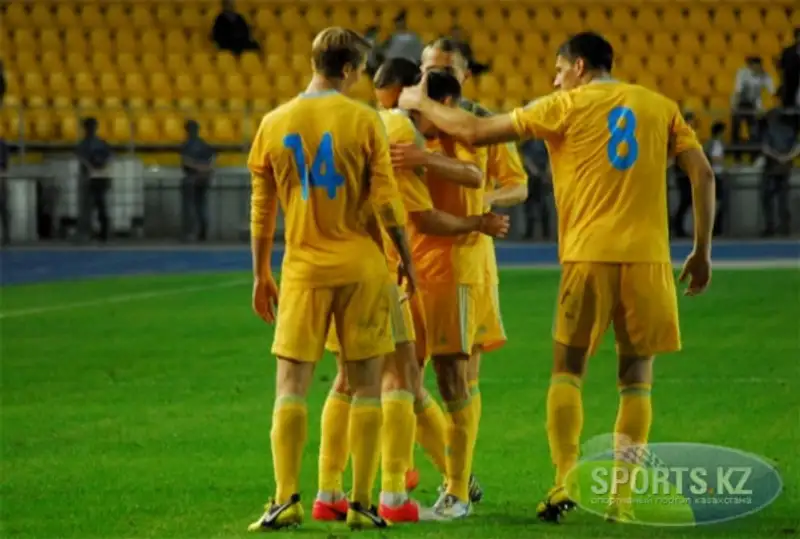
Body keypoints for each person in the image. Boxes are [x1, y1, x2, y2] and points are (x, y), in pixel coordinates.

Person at [399, 31, 715, 524]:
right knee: (636, 379)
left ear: (580, 67)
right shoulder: (660, 106)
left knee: (568, 371)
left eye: (560, 70)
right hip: (650, 260)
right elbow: (703, 174)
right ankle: (621, 500)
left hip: (588, 256)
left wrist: (419, 101)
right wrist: (701, 250)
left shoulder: (564, 105)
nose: (555, 79)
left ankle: (567, 478)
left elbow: (477, 132)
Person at [312, 60, 510, 525]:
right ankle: (399, 490)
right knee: (403, 381)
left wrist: (428, 162)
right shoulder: (397, 129)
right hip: (399, 271)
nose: (398, 113)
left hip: (440, 271)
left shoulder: (465, 130)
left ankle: (351, 489)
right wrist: (476, 220)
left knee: (427, 380)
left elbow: (481, 177)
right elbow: (423, 217)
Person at [246, 27, 415, 531]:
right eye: (360, 70)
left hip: (303, 268)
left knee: (291, 386)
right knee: (366, 386)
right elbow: (386, 200)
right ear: (347, 69)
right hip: (362, 266)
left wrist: (260, 272)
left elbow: (262, 209)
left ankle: (285, 499)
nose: (360, 78)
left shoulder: (274, 123)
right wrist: (404, 256)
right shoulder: (364, 120)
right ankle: (361, 503)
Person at [393, 37, 528, 506]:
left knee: (459, 379)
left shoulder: (482, 126)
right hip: (411, 263)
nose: (432, 77)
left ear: (464, 77)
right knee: (403, 380)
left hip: (463, 262)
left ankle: (455, 485)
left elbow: (517, 186)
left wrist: (482, 202)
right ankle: (450, 474)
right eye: (427, 68)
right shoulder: (406, 122)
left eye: (445, 70)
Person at [760, 108, 799, 236]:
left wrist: (777, 157)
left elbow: (765, 148)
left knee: (768, 199)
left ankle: (770, 227)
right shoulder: (789, 131)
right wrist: (787, 157)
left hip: (772, 169)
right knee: (783, 199)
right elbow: (797, 148)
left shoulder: (768, 131)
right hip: (784, 169)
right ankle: (784, 227)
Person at [75, 118, 112, 242]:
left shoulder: (84, 144)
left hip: (91, 177)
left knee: (90, 206)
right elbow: (109, 158)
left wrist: (91, 167)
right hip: (99, 176)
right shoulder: (101, 143)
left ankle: (94, 232)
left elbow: (82, 159)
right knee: (99, 205)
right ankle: (101, 232)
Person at [180, 120, 215, 242]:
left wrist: (197, 168)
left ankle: (191, 233)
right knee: (201, 205)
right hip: (204, 178)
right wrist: (205, 169)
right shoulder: (204, 144)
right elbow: (211, 161)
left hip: (192, 178)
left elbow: (186, 161)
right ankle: (202, 233)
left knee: (190, 206)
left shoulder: (187, 145)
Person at [671, 111, 698, 238]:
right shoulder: (680, 136)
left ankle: (679, 226)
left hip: (688, 173)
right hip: (682, 174)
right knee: (685, 200)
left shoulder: (690, 135)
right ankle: (677, 226)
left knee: (688, 201)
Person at [520, 137, 552, 239]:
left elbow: (551, 156)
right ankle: (529, 232)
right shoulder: (528, 142)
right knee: (529, 205)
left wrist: (547, 172)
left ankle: (546, 233)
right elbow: (525, 157)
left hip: (542, 177)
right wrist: (533, 170)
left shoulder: (545, 141)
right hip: (531, 177)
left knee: (543, 204)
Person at [705, 121, 728, 236]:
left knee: (718, 202)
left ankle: (716, 226)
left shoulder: (717, 144)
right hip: (715, 175)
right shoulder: (714, 144)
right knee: (716, 202)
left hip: (717, 175)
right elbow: (714, 158)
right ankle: (713, 227)